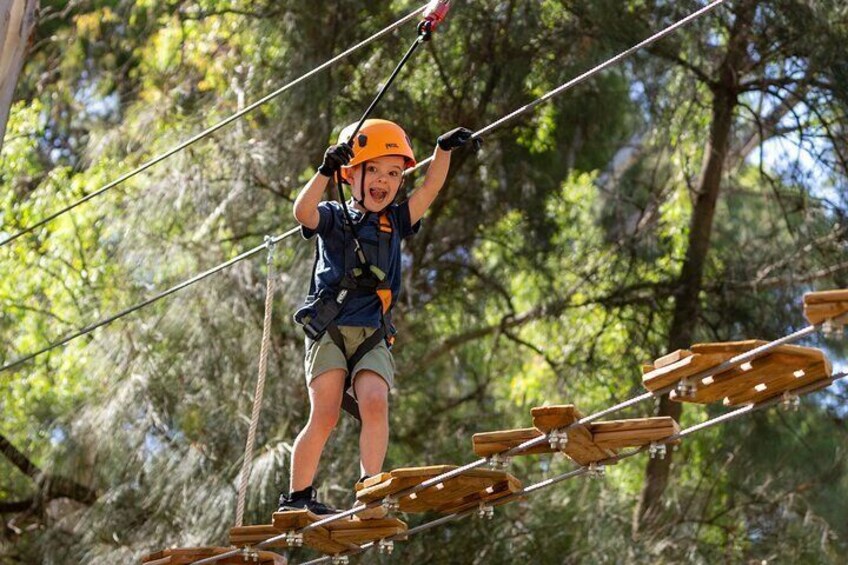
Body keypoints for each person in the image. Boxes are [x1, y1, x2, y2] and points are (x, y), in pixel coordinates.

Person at [279, 118, 474, 516]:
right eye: (376, 171)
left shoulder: (397, 221)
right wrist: (324, 170)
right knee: (327, 412)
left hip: (372, 331)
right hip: (329, 328)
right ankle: (297, 498)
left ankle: (370, 490)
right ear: (352, 174)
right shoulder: (333, 216)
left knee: (375, 402)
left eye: (394, 173)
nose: (385, 181)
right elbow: (302, 212)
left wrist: (443, 150)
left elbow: (431, 187)